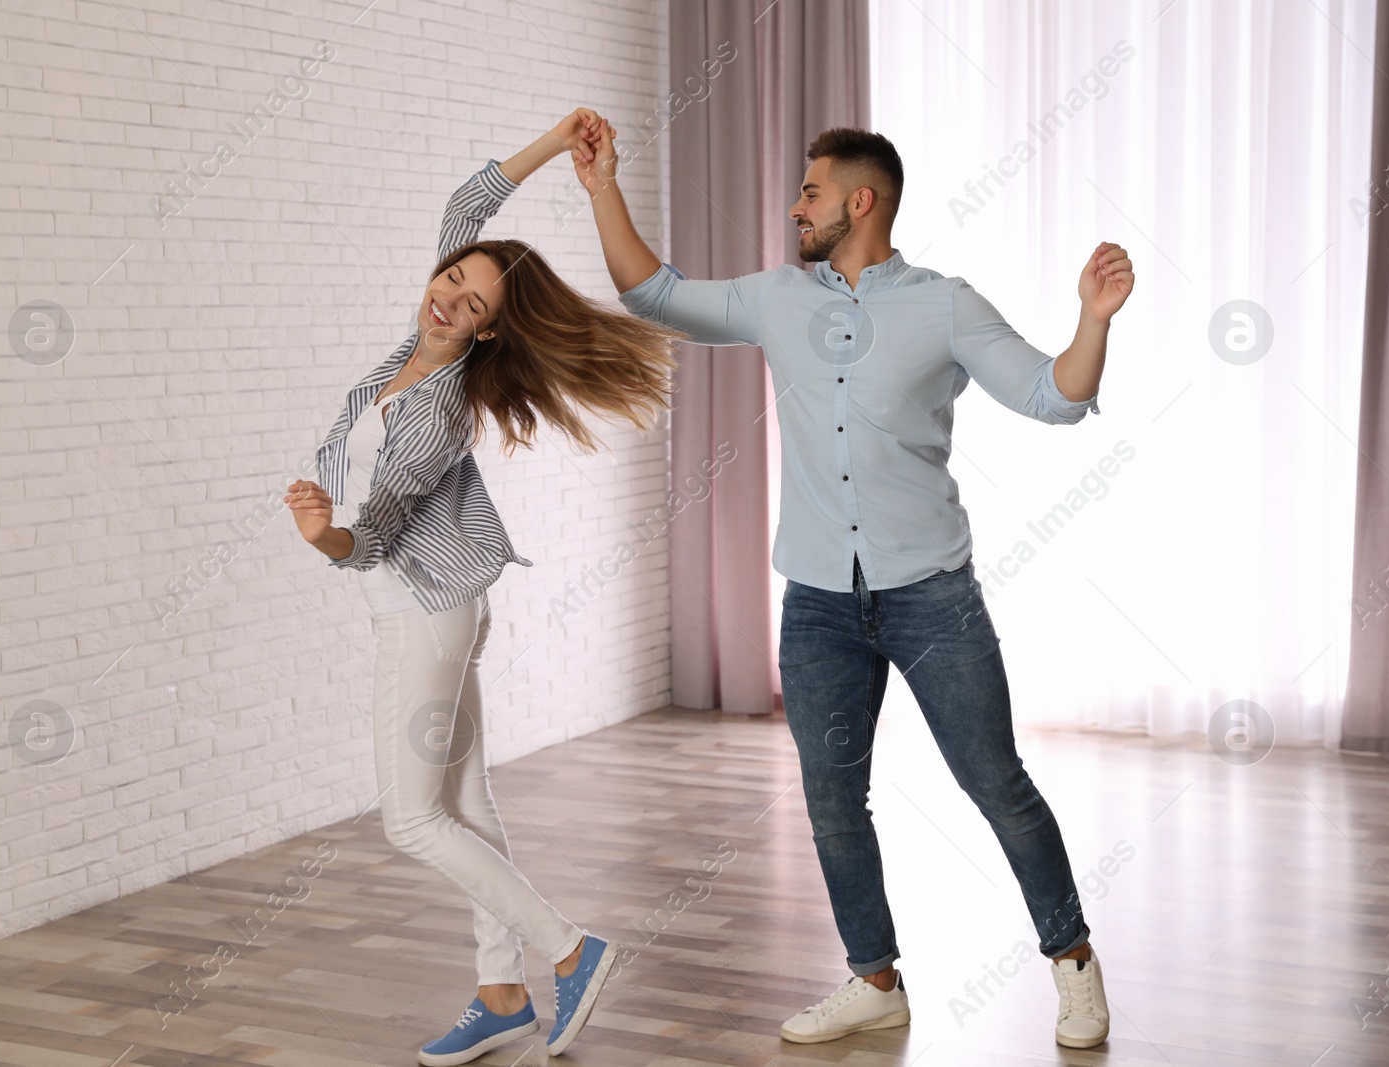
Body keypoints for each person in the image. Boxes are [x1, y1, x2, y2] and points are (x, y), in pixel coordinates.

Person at [571, 121, 1133, 1050]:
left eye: (811, 191)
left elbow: (1055, 397)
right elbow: (653, 294)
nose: (796, 205)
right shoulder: (774, 297)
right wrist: (601, 190)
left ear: (860, 203)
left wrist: (1093, 321)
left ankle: (1072, 960)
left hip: (932, 595)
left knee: (996, 782)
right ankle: (874, 978)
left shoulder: (944, 305)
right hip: (819, 603)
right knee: (834, 801)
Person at [285, 109, 677, 1066]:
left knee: (413, 818)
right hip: (438, 605)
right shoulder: (410, 349)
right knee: (465, 802)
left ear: (491, 329)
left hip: (421, 611)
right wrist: (557, 140)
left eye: (468, 301)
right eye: (449, 279)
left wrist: (323, 533)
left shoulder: (439, 409)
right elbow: (470, 202)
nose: (446, 299)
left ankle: (572, 951)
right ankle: (502, 994)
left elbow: (372, 534)